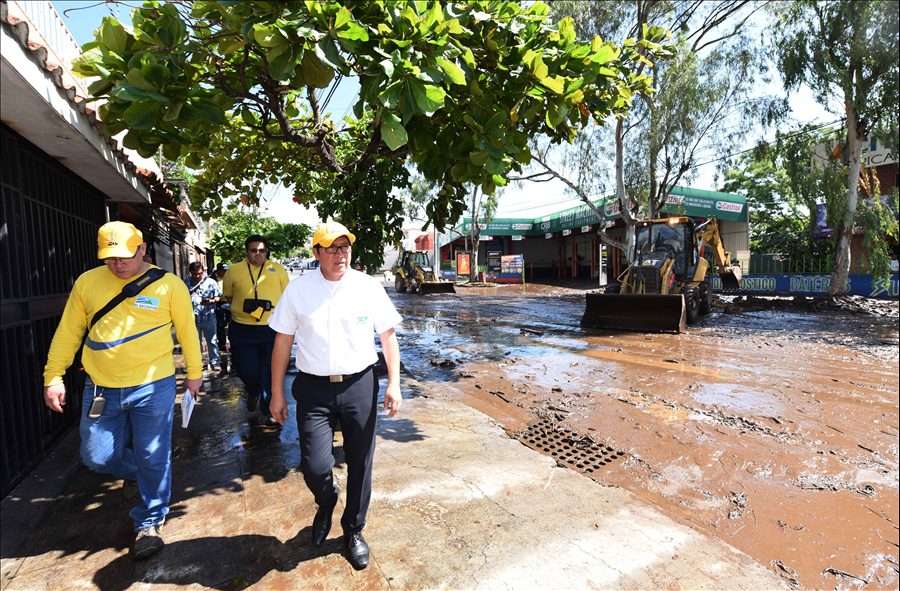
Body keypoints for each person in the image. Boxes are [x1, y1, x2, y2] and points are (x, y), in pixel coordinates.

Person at [42, 221, 202, 560]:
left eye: (125, 256)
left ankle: (149, 522)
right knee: (97, 457)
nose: (118, 265)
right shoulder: (88, 282)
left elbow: (188, 332)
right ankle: (137, 474)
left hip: (153, 385)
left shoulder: (169, 285)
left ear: (142, 248)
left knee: (153, 454)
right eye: (110, 258)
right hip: (101, 388)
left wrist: (194, 374)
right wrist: (53, 376)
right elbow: (68, 332)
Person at [269, 221, 402, 571]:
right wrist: (277, 392)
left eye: (345, 247)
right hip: (313, 389)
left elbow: (388, 336)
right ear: (316, 253)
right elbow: (282, 341)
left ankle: (353, 529)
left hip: (359, 385)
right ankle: (326, 501)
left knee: (360, 461)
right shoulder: (298, 291)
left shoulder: (367, 286)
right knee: (314, 466)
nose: (341, 254)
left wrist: (394, 383)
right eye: (332, 248)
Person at [222, 235, 289, 423]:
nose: (258, 254)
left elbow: (287, 296)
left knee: (269, 369)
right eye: (253, 250)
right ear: (246, 251)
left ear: (266, 251)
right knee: (246, 369)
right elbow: (229, 296)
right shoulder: (234, 270)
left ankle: (269, 411)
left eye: (262, 250)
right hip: (242, 329)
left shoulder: (277, 269)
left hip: (271, 327)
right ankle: (253, 390)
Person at [185, 261, 222, 371]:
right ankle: (197, 364)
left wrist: (211, 301)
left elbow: (218, 296)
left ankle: (215, 362)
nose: (196, 276)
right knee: (195, 342)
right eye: (194, 274)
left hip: (208, 317)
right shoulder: (186, 282)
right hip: (192, 318)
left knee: (212, 341)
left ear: (203, 271)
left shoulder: (211, 282)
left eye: (199, 274)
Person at [214, 262, 231, 372]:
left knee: (232, 323)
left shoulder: (229, 277)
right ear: (218, 270)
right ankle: (222, 344)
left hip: (229, 303)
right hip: (218, 304)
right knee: (220, 325)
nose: (225, 272)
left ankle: (232, 342)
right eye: (223, 270)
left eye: (226, 270)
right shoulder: (211, 279)